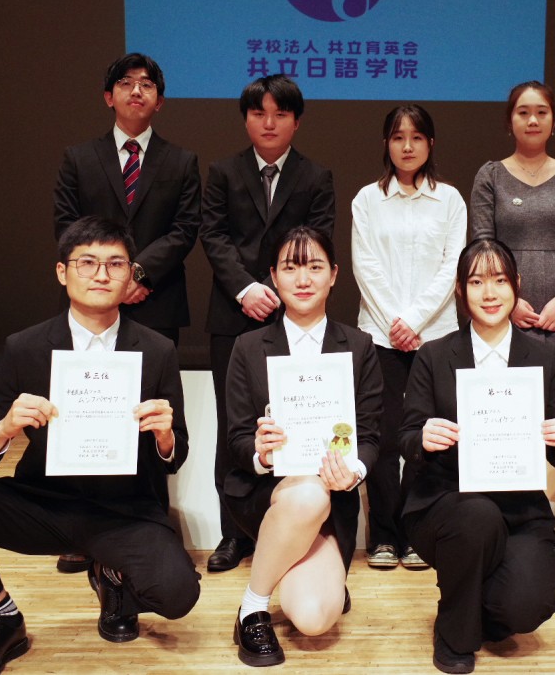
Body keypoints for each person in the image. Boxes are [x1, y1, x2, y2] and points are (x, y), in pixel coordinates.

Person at [0, 216, 200, 675]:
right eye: (87, 262)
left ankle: (111, 574)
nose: (101, 274)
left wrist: (166, 437)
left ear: (131, 275)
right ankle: (3, 619)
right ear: (62, 272)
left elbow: (177, 454)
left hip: (124, 510)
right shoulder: (25, 347)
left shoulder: (156, 350)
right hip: (44, 504)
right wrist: (4, 428)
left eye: (115, 264)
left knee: (178, 594)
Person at [401, 238, 555, 674]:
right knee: (477, 516)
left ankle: (474, 597)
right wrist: (424, 437)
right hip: (445, 502)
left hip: (520, 508)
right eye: (476, 282)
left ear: (516, 285)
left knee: (526, 607)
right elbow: (406, 437)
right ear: (460, 290)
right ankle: (454, 630)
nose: (489, 293)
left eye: (499, 280)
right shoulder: (434, 355)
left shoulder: (545, 359)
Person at [52, 52, 202, 574]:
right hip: (88, 307)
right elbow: (67, 227)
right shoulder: (79, 158)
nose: (136, 91)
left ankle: (149, 522)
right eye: (125, 83)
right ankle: (80, 530)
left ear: (159, 101)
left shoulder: (181, 161)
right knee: (85, 413)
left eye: (147, 85)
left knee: (152, 418)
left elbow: (185, 229)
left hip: (155, 303)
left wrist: (136, 274)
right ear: (108, 96)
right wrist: (107, 277)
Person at [224, 226, 382, 667]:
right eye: (291, 268)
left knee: (313, 619)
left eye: (315, 267)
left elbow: (370, 437)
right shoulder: (248, 347)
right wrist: (260, 451)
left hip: (333, 499)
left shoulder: (359, 346)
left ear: (334, 275)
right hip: (268, 494)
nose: (304, 279)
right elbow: (236, 438)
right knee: (308, 493)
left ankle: (311, 570)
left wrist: (354, 472)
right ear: (274, 277)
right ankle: (253, 606)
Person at [200, 74, 336, 572]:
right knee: (234, 426)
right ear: (246, 120)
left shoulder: (315, 176)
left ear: (296, 121)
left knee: (297, 419)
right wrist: (246, 288)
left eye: (281, 114)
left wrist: (276, 289)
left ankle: (294, 523)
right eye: (259, 113)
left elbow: (316, 242)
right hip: (233, 313)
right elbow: (213, 235)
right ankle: (233, 533)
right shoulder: (223, 171)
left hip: (294, 316)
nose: (269, 122)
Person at [468, 80, 555, 563]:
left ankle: (544, 522)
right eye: (523, 112)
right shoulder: (490, 175)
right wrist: (511, 299)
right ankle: (503, 520)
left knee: (554, 423)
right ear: (510, 121)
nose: (532, 119)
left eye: (541, 111)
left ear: (553, 121)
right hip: (503, 309)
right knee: (507, 418)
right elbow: (482, 242)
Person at [351, 104, 466, 571]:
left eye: (416, 137)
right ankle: (383, 533)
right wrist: (396, 322)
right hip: (380, 336)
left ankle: (419, 532)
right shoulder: (367, 199)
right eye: (398, 137)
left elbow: (453, 266)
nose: (407, 146)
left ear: (430, 144)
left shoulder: (450, 200)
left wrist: (415, 320)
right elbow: (364, 266)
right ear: (386, 144)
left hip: (435, 336)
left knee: (428, 437)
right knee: (381, 438)